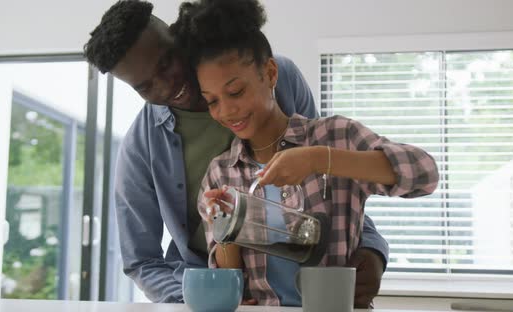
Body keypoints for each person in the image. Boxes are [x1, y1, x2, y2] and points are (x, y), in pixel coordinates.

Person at [83, 0, 390, 307]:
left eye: (166, 62)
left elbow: (331, 178)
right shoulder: (142, 146)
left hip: (306, 273)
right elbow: (141, 261)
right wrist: (204, 296)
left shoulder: (277, 77)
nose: (167, 84)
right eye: (145, 86)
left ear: (179, 38)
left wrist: (372, 249)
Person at [170, 0, 439, 306]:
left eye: (236, 92)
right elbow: (235, 285)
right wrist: (225, 226)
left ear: (270, 73)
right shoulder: (221, 172)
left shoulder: (335, 136)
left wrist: (318, 159)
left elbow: (425, 174)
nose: (227, 110)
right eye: (212, 101)